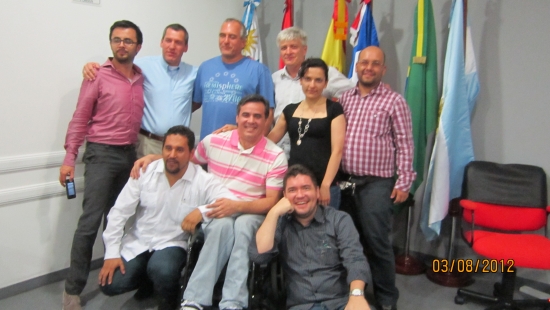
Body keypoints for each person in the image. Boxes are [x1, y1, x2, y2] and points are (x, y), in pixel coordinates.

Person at [133, 94, 287, 310]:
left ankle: (233, 302)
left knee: (242, 225)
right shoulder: (214, 142)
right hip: (216, 211)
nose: (251, 121)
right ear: (237, 117)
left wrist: (237, 206)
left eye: (257, 116)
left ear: (265, 120)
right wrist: (153, 158)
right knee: (223, 225)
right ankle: (194, 300)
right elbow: (186, 160)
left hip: (252, 212)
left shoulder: (276, 155)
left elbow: (271, 201)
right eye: (246, 115)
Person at [98, 126, 235, 310]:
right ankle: (148, 282)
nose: (172, 154)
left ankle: (169, 301)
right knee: (109, 284)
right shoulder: (145, 172)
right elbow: (119, 212)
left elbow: (231, 201)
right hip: (139, 242)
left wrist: (201, 211)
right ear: (162, 150)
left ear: (191, 153)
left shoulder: (202, 180)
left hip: (172, 244)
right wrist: (111, 254)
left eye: (179, 150)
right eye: (168, 148)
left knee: (162, 270)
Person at [59, 20, 145, 310]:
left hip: (130, 156)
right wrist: (69, 158)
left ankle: (111, 278)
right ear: (111, 43)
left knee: (118, 219)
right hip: (100, 155)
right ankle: (73, 288)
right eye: (117, 39)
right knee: (90, 222)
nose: (122, 45)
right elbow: (80, 117)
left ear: (138, 46)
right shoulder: (96, 75)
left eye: (128, 40)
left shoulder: (142, 77)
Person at [339, 46, 416, 310]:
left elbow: (405, 143)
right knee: (348, 242)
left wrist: (405, 181)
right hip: (345, 181)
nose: (369, 68)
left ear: (383, 69)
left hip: (377, 184)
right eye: (364, 63)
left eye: (375, 64)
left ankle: (386, 299)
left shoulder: (394, 101)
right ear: (357, 66)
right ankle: (354, 294)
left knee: (377, 243)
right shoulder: (344, 99)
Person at [250, 164, 371, 310]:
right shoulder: (280, 223)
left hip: (341, 303)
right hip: (302, 306)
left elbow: (355, 259)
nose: (300, 195)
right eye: (292, 190)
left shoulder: (339, 220)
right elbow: (259, 256)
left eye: (306, 188)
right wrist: (274, 212)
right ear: (285, 196)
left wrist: (356, 295)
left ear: (318, 192)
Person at [83, 24, 197, 157]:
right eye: (168, 40)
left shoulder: (194, 73)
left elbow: (197, 100)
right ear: (161, 42)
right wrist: (91, 67)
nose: (172, 46)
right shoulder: (141, 66)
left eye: (178, 42)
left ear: (186, 47)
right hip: (147, 144)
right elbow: (115, 68)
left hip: (178, 147)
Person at [268, 58, 345, 209]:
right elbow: (268, 141)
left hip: (323, 185)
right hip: (296, 185)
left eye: (318, 80)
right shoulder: (290, 110)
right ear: (300, 81)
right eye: (308, 79)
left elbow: (337, 151)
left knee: (325, 231)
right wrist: (238, 132)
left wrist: (325, 185)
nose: (312, 85)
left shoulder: (334, 109)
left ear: (326, 83)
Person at [272, 27, 354, 157]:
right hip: (278, 151)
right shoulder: (274, 79)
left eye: (293, 47)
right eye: (284, 48)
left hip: (313, 152)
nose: (288, 52)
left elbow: (355, 94)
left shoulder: (326, 73)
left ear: (305, 49)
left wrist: (375, 88)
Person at [193, 18, 275, 140]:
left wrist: (256, 143)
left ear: (243, 42)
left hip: (241, 147)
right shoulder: (205, 67)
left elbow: (268, 114)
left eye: (232, 37)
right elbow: (193, 103)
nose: (225, 41)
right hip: (207, 147)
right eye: (222, 36)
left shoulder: (259, 71)